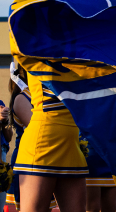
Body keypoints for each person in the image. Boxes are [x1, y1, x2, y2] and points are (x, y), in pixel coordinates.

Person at [7, 63, 60, 211]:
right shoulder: (22, 97)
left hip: (49, 155)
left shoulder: (46, 96)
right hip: (30, 158)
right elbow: (38, 127)